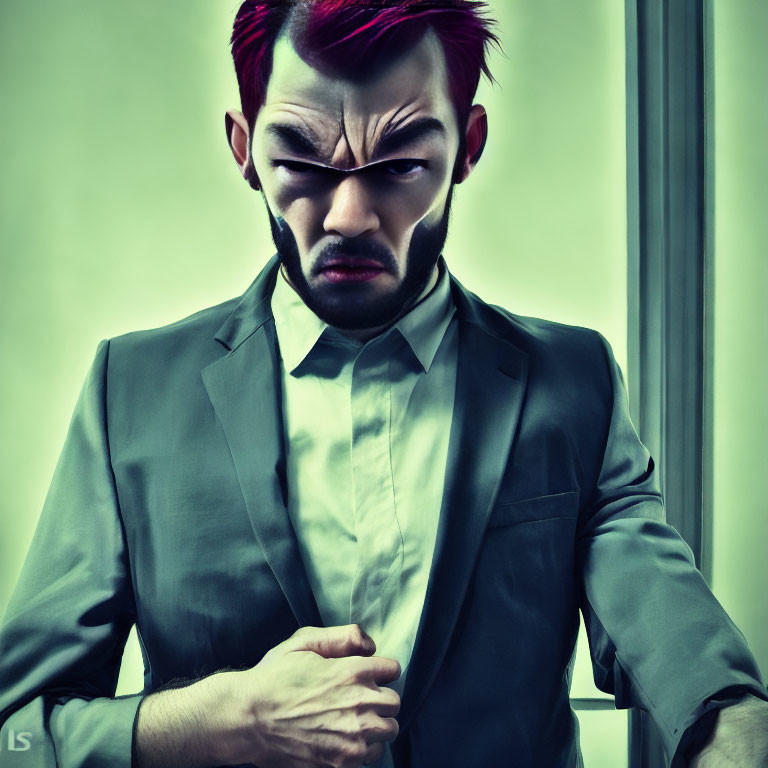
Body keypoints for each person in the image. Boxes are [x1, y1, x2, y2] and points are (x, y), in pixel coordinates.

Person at [0, 1, 766, 767]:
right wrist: (228, 716)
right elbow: (19, 731)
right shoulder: (128, 392)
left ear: (466, 146)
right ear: (243, 149)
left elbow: (665, 622)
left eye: (400, 165)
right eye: (301, 164)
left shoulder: (574, 383)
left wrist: (732, 721)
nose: (351, 216)